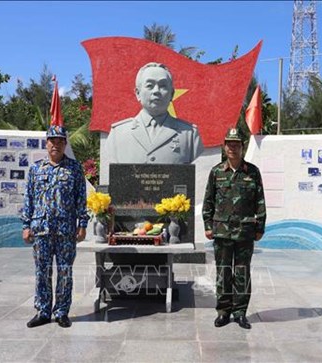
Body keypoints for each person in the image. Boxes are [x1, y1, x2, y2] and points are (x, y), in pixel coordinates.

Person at [21, 125, 88, 329]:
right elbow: (28, 199)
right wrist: (26, 225)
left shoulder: (75, 169)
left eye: (60, 142)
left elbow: (81, 199)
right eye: (52, 141)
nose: (55, 145)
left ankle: (61, 312)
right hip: (41, 229)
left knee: (65, 272)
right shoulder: (35, 169)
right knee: (42, 271)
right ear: (46, 143)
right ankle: (43, 311)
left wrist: (82, 224)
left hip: (66, 230)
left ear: (65, 144)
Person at [202, 128, 266, 330]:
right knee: (223, 273)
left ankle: (240, 313)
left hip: (245, 232)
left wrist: (260, 226)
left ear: (242, 146)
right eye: (229, 144)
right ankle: (223, 312)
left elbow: (260, 201)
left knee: (242, 273)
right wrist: (207, 225)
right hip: (221, 231)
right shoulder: (217, 172)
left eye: (236, 144)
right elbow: (208, 201)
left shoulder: (252, 172)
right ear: (224, 146)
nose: (232, 148)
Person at [105, 62, 204, 164]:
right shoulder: (118, 134)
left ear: (172, 94)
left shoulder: (189, 135)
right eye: (150, 86)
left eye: (163, 86)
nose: (156, 91)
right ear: (138, 93)